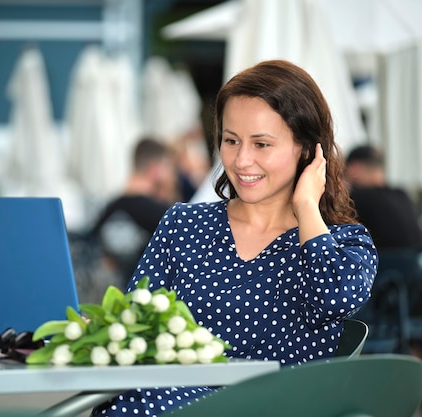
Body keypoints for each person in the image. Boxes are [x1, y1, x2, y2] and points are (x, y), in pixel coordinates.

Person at [91, 59, 377, 417]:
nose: (242, 160)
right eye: (231, 140)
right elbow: (133, 321)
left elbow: (336, 299)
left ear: (305, 148)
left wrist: (306, 206)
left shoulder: (345, 242)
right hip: (166, 401)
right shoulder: (184, 224)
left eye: (261, 144)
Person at [91, 137, 178, 285]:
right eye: (168, 167)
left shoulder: (108, 209)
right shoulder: (164, 215)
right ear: (155, 169)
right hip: (149, 304)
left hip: (109, 305)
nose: (172, 175)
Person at [344, 145, 422, 250]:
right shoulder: (401, 195)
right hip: (414, 264)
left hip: (384, 264)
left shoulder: (358, 198)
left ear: (354, 168)